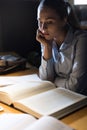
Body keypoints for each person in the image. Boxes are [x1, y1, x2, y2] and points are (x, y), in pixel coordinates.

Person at [36, 0, 87, 95]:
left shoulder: (82, 41)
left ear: (64, 20)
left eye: (49, 22)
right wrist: (47, 47)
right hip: (59, 96)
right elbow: (45, 79)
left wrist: (53, 81)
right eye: (40, 21)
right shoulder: (47, 38)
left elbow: (75, 87)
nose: (43, 28)